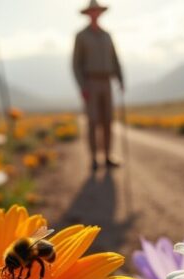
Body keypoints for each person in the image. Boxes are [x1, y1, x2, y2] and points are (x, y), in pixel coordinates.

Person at [73, 0, 124, 171]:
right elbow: (76, 64)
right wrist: (82, 86)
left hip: (106, 82)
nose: (95, 14)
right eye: (92, 11)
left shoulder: (107, 35)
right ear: (88, 14)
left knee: (108, 121)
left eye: (97, 11)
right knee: (93, 122)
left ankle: (108, 156)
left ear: (100, 13)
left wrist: (120, 79)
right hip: (91, 82)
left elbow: (115, 58)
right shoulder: (81, 36)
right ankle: (94, 158)